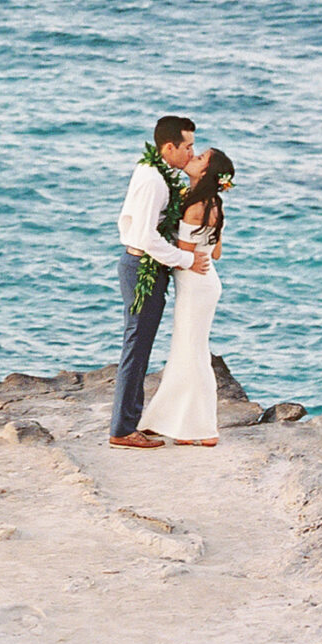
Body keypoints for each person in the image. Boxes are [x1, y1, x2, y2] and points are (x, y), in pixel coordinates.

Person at [110, 114, 203, 448]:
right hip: (141, 266)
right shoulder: (153, 180)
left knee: (140, 346)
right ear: (169, 147)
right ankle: (122, 429)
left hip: (145, 264)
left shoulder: (156, 172)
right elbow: (146, 236)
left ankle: (129, 421)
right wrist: (187, 259)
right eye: (188, 146)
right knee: (137, 347)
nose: (192, 153)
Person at [138, 146, 235, 446]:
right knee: (185, 351)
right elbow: (215, 253)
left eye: (201, 157)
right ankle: (170, 420)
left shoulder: (195, 208)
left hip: (195, 285)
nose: (194, 157)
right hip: (204, 282)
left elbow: (185, 254)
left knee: (192, 353)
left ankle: (205, 428)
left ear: (206, 172)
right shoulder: (211, 204)